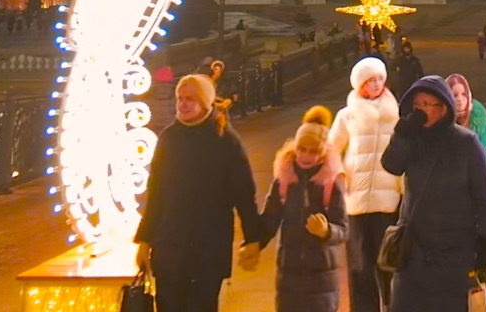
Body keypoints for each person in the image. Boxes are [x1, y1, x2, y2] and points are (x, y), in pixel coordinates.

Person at [134, 73, 263, 311]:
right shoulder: (169, 138)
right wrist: (144, 239)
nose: (183, 104)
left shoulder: (225, 140)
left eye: (190, 99)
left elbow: (244, 195)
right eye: (180, 98)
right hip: (169, 249)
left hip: (207, 251)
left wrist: (253, 238)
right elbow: (155, 194)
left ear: (205, 103)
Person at [380, 76, 486, 312]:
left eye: (426, 104)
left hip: (453, 256)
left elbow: (484, 197)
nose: (420, 110)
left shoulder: (467, 144)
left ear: (443, 108)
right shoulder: (412, 139)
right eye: (417, 105)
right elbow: (391, 164)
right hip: (413, 253)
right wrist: (402, 133)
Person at [328, 57, 402, 312]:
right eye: (371, 80)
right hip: (356, 202)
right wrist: (339, 175)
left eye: (380, 79)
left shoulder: (397, 116)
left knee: (388, 263)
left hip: (388, 200)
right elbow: (330, 149)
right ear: (360, 83)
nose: (377, 84)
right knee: (360, 266)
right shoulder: (347, 116)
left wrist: (403, 188)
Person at [257, 105, 348, 312]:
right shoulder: (285, 180)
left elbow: (343, 230)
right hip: (289, 280)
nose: (306, 155)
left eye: (313, 151)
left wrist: (326, 231)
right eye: (302, 149)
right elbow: (270, 218)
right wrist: (255, 243)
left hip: (322, 281)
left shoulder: (331, 184)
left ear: (323, 152)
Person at [446, 73, 486, 221]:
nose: (460, 99)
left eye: (463, 94)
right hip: (453, 206)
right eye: (454, 95)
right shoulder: (441, 126)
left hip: (482, 199)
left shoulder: (482, 121)